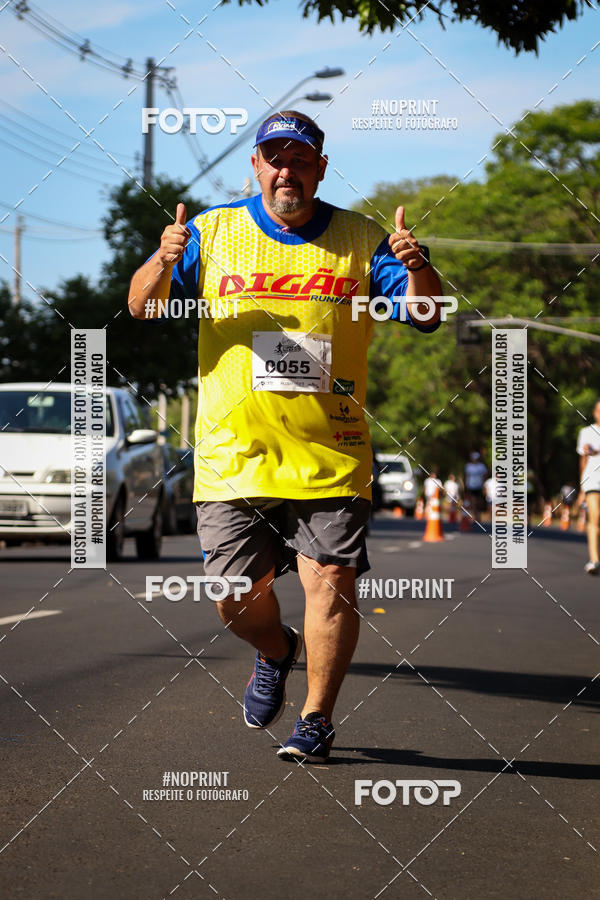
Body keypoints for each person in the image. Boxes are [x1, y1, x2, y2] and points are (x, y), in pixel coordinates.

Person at [128, 110, 443, 762]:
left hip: (332, 451)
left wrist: (417, 268)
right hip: (233, 455)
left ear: (320, 169)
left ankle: (316, 719)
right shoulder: (213, 232)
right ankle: (275, 650)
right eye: (275, 159)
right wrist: (163, 259)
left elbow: (426, 314)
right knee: (234, 597)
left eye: (300, 160)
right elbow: (141, 306)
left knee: (331, 582)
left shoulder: (362, 238)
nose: (286, 171)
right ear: (256, 166)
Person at [576, 399, 600, 575]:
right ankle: (594, 560)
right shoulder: (586, 432)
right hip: (593, 481)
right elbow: (583, 461)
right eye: (599, 410)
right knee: (595, 516)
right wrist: (582, 488)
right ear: (594, 412)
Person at [464, 451, 487, 523]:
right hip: (471, 486)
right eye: (474, 458)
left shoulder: (481, 466)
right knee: (473, 501)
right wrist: (466, 484)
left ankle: (478, 516)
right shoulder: (469, 466)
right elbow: (467, 476)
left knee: (478, 502)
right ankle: (474, 517)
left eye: (476, 458)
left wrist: (483, 484)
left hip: (479, 486)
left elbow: (484, 475)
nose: (475, 460)